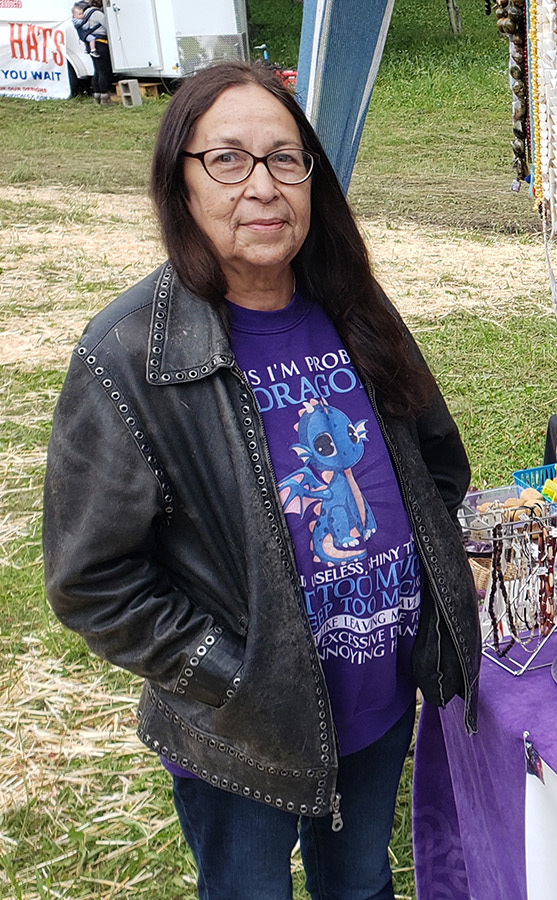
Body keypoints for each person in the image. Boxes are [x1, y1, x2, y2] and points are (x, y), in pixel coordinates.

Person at [42, 61, 480, 900]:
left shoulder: (357, 309)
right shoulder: (128, 355)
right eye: (229, 160)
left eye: (287, 159)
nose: (264, 187)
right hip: (243, 729)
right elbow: (91, 580)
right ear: (181, 184)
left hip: (378, 700)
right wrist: (232, 675)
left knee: (358, 888)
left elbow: (437, 465)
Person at [72, 1, 113, 104]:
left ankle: (97, 95)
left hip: (91, 45)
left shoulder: (84, 15)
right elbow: (109, 27)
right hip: (101, 43)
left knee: (97, 70)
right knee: (104, 70)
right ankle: (104, 97)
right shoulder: (97, 14)